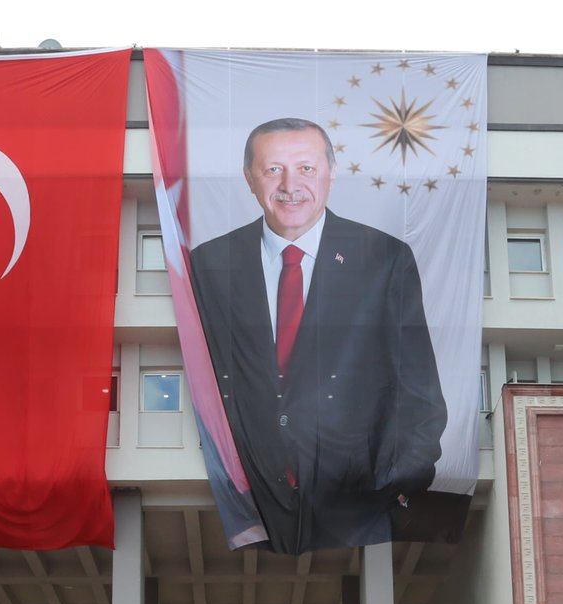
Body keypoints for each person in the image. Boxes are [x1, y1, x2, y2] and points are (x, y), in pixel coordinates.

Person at [187, 117, 447, 553]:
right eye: (273, 169)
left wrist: (395, 486)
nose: (290, 184)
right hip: (247, 505)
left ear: (331, 172)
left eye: (306, 168)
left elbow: (418, 393)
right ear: (249, 178)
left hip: (359, 508)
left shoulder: (383, 259)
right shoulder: (209, 264)